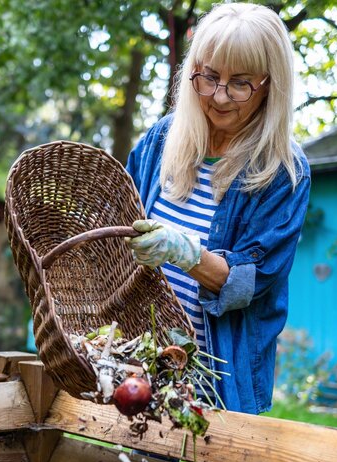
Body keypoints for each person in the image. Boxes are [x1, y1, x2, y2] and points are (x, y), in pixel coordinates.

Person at [124, 3, 310, 415]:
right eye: (209, 77)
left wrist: (184, 252)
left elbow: (252, 283)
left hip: (217, 384)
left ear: (270, 85)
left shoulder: (283, 173)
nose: (220, 96)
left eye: (240, 83)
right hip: (139, 367)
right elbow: (118, 225)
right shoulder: (161, 141)